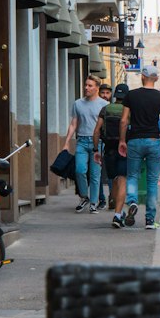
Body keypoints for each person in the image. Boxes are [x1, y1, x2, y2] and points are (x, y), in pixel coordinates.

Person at [118, 63, 160, 229]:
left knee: (132, 175)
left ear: (142, 77)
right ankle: (149, 220)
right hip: (153, 140)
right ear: (156, 78)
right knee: (152, 181)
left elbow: (124, 120)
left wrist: (122, 140)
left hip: (134, 140)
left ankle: (132, 201)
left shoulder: (131, 96)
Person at [65, 74, 106, 214]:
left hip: (98, 143)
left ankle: (94, 203)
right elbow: (73, 124)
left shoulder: (104, 105)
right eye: (86, 85)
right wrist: (66, 142)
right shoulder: (78, 103)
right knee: (79, 170)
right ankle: (84, 197)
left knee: (95, 174)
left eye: (90, 85)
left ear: (97, 88)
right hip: (81, 141)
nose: (86, 87)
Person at [96, 84, 130, 226]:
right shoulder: (128, 110)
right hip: (124, 149)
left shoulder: (106, 109)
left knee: (114, 180)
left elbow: (97, 130)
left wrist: (95, 150)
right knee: (122, 180)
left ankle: (117, 208)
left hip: (108, 148)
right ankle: (117, 214)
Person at [96, 82, 113, 208]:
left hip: (108, 141)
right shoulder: (95, 105)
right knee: (98, 172)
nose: (105, 95)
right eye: (103, 93)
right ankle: (101, 199)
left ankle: (112, 197)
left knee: (111, 172)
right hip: (97, 141)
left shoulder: (111, 107)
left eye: (107, 93)